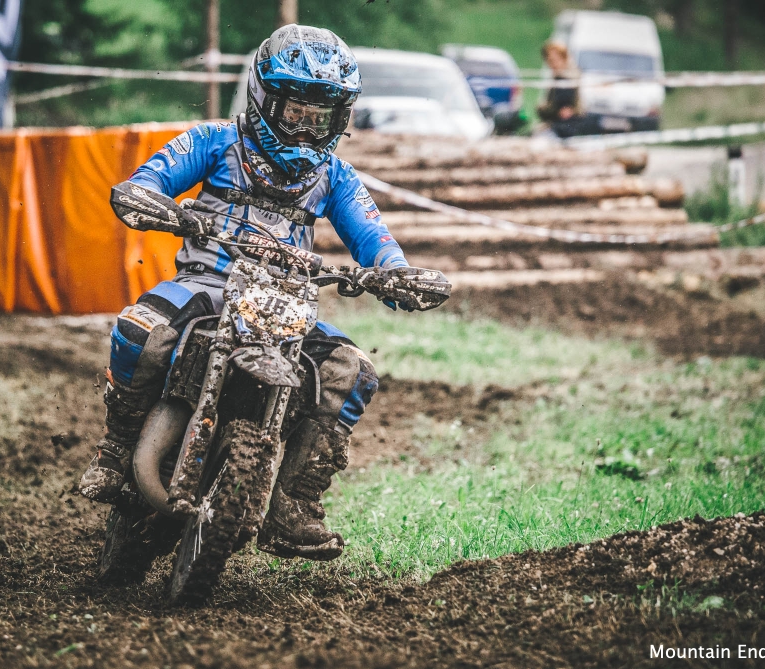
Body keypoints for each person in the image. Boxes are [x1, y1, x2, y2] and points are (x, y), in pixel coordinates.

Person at [78, 24, 450, 561]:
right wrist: (156, 203)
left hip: (287, 300)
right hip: (207, 283)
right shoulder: (214, 142)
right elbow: (148, 180)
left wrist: (394, 274)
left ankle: (296, 502)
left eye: (320, 118)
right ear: (264, 99)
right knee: (143, 330)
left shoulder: (336, 177)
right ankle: (116, 449)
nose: (306, 128)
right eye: (295, 112)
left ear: (340, 119)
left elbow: (375, 239)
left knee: (352, 371)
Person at [536, 41, 584, 138]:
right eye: (549, 61)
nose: (552, 64)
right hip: (557, 126)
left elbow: (563, 112)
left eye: (555, 60)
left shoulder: (567, 80)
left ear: (564, 58)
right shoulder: (556, 78)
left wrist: (543, 108)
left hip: (566, 129)